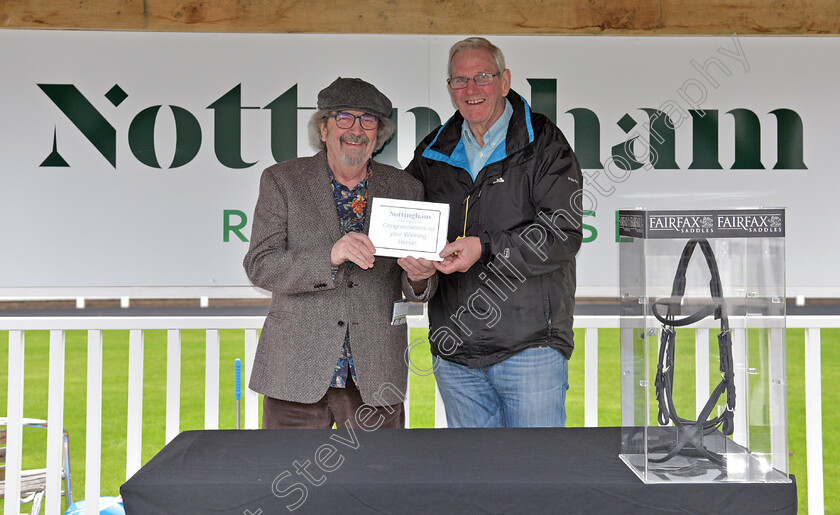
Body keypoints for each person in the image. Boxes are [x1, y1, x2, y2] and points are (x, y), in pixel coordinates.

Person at [406, 37, 583, 428]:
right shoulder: (431, 152)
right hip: (456, 354)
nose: (471, 90)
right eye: (460, 81)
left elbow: (563, 233)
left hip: (530, 347)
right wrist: (415, 272)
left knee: (536, 474)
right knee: (474, 484)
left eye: (482, 77)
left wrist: (484, 247)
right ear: (450, 89)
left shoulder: (545, 144)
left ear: (504, 81)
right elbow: (405, 228)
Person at [244, 77, 437, 429]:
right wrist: (329, 256)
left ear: (379, 133)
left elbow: (417, 288)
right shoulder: (282, 181)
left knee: (377, 482)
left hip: (376, 376)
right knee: (285, 481)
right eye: (344, 118)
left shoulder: (406, 189)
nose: (357, 130)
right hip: (295, 374)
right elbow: (260, 266)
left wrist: (420, 277)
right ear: (323, 128)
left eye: (368, 120)